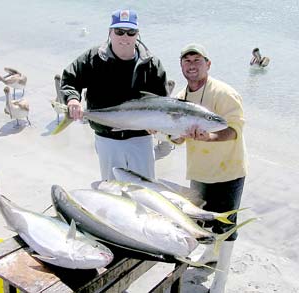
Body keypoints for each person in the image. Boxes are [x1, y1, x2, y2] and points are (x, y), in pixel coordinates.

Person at [171, 43, 248, 293]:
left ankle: (221, 281)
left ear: (208, 64)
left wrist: (209, 138)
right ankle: (210, 257)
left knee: (226, 227)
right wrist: (164, 133)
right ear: (181, 66)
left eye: (197, 60)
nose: (192, 66)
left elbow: (235, 129)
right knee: (202, 224)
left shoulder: (224, 93)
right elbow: (176, 138)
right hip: (199, 172)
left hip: (229, 171)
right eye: (187, 61)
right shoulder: (180, 98)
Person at [60, 9, 168, 180]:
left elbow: (163, 103)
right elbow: (69, 78)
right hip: (107, 139)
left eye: (131, 32)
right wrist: (73, 99)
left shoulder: (152, 63)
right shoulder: (93, 58)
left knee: (145, 191)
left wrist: (157, 124)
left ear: (137, 34)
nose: (125, 37)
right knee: (112, 192)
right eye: (119, 31)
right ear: (110, 32)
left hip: (141, 139)